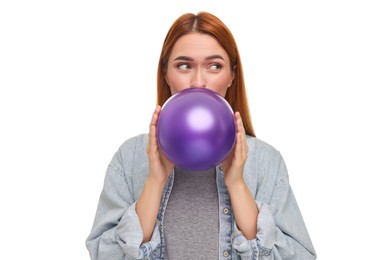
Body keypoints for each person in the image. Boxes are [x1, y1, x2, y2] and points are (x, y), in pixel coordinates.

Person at [85, 11, 316, 260]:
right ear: (165, 74)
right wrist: (155, 180)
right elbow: (104, 254)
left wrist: (236, 183)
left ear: (231, 76)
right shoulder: (130, 158)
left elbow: (299, 256)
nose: (198, 81)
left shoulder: (265, 161)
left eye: (214, 66)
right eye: (184, 66)